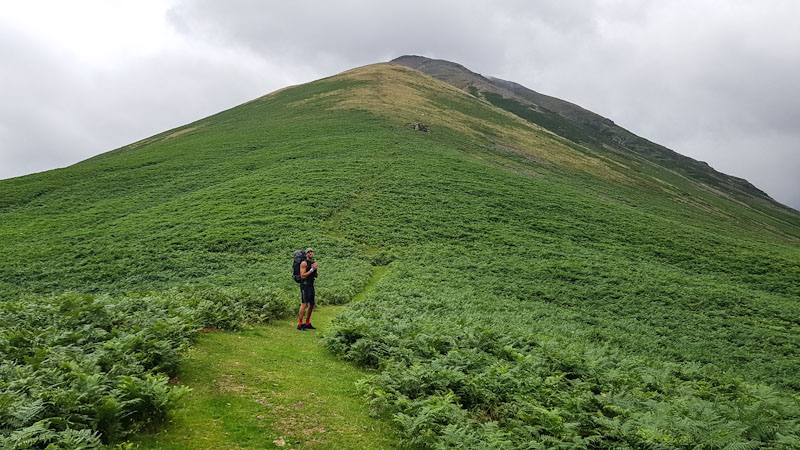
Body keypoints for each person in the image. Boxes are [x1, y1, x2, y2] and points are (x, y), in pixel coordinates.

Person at [297, 248, 319, 330]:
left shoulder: (313, 263)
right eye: (308, 252)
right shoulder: (304, 263)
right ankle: (300, 324)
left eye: (311, 252)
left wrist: (315, 269)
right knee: (304, 303)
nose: (310, 253)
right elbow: (302, 275)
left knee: (312, 304)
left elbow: (316, 276)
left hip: (311, 285)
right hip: (305, 285)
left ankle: (307, 323)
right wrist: (312, 269)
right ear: (306, 254)